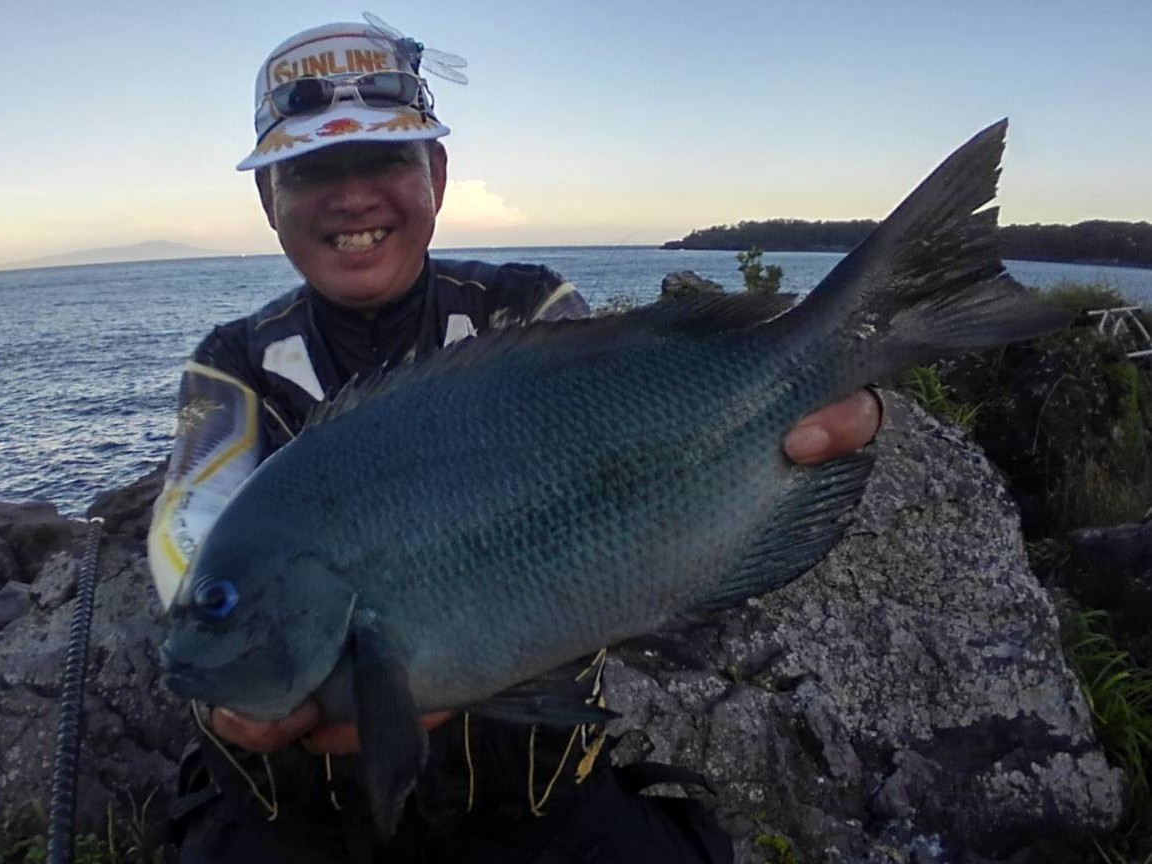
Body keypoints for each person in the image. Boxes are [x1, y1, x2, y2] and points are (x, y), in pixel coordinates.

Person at [147, 20, 882, 864]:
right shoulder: (231, 365)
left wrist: (805, 398)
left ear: (437, 175)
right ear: (269, 197)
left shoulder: (527, 311)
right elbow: (188, 527)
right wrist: (218, 663)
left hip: (538, 811)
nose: (352, 199)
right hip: (294, 828)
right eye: (313, 171)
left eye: (385, 161)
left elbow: (631, 450)